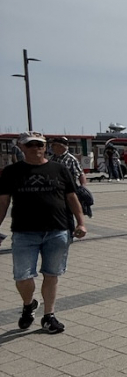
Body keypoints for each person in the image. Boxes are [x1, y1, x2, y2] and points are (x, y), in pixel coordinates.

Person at [0, 132, 87, 334]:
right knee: (22, 277)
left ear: (45, 146)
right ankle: (29, 304)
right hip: (24, 233)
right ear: (22, 147)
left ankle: (49, 316)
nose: (35, 148)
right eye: (30, 145)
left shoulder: (59, 169)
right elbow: (3, 203)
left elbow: (72, 197)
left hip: (57, 230)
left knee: (51, 274)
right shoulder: (11, 172)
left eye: (39, 144)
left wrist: (81, 223)